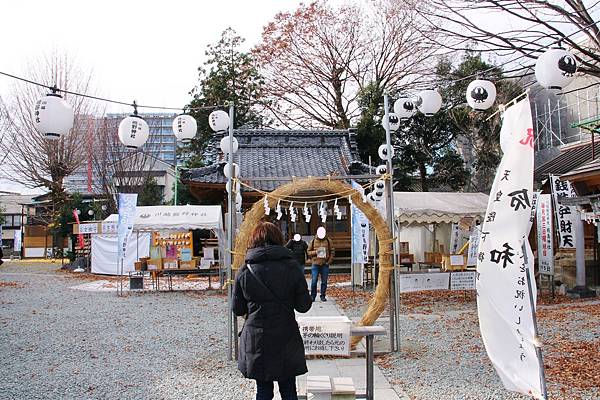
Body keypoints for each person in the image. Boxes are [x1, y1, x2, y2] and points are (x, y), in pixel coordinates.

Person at [233, 222, 312, 400]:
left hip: (257, 338)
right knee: (288, 389)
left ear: (253, 240)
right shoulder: (292, 267)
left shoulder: (245, 270)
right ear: (279, 239)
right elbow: (304, 306)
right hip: (286, 335)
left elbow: (237, 309)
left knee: (263, 390)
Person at [307, 227, 334, 302]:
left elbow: (332, 251)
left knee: (324, 281)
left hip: (325, 264)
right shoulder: (313, 241)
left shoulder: (329, 241)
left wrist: (329, 261)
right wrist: (315, 252)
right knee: (314, 281)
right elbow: (308, 251)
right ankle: (313, 296)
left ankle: (323, 295)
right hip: (315, 264)